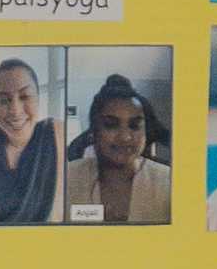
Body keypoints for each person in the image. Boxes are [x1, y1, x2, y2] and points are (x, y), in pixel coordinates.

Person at [0, 55, 63, 226]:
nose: (15, 110)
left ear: (38, 98)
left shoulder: (54, 133)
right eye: (4, 100)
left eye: (25, 96)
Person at [71, 77, 173, 225]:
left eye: (135, 126)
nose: (125, 137)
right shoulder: (68, 178)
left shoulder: (168, 181)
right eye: (110, 125)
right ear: (94, 130)